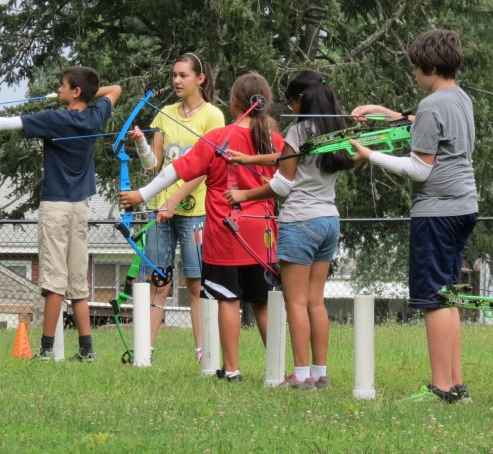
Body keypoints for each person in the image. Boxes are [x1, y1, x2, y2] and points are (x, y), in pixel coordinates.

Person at [0, 66, 122, 362]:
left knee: (53, 282)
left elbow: (5, 122)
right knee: (77, 280)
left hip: (55, 208)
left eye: (63, 86)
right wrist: (86, 94)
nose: (58, 90)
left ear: (75, 91)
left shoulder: (54, 119)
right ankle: (87, 351)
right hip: (79, 208)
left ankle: (47, 352)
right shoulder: (95, 115)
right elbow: (115, 89)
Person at [121, 72, 284, 381]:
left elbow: (176, 171)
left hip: (226, 233)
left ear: (234, 102)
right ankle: (276, 372)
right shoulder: (274, 140)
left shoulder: (218, 136)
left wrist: (141, 195)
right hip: (262, 234)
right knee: (263, 302)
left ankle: (232, 370)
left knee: (228, 298)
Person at [350, 29, 477, 402]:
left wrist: (368, 155)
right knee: (449, 295)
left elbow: (420, 170)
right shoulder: (459, 98)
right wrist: (382, 112)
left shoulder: (432, 105)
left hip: (436, 213)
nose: (414, 75)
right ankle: (455, 384)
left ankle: (441, 388)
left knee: (433, 298)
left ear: (430, 67)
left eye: (416, 69)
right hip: (463, 208)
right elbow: (421, 123)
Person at [225, 70, 355, 390]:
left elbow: (283, 183)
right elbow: (290, 157)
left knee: (295, 302)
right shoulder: (334, 130)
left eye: (291, 101)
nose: (290, 107)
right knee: (315, 301)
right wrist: (249, 159)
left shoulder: (299, 130)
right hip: (328, 222)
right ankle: (319, 374)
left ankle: (299, 377)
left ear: (301, 99)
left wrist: (244, 195)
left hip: (300, 223)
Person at [128, 53, 224, 363]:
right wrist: (142, 143)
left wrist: (173, 201)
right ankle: (146, 350)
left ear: (200, 79)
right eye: (174, 75)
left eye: (183, 75)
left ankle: (202, 352)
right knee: (159, 282)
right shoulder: (164, 114)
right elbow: (154, 167)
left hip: (195, 212)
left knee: (196, 284)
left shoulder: (213, 116)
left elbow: (202, 169)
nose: (177, 81)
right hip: (161, 211)